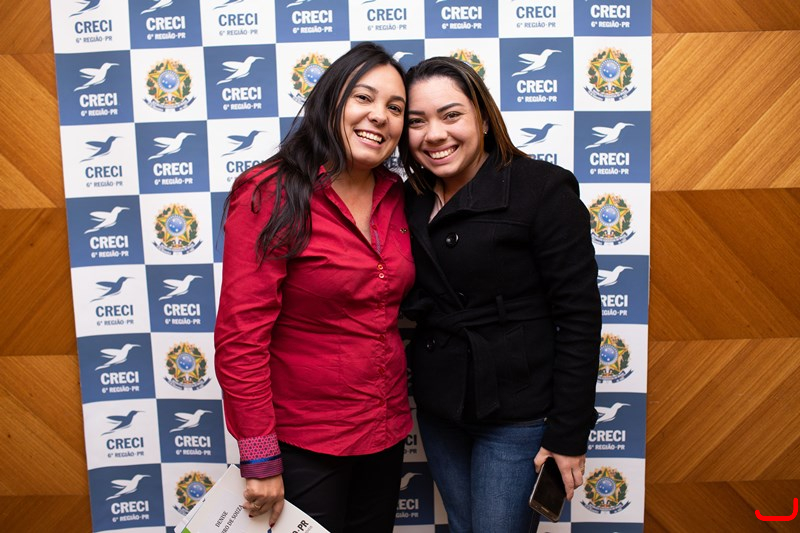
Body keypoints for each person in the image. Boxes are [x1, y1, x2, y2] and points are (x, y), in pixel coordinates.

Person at [214, 42, 415, 533]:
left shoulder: (399, 195)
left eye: (395, 108)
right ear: (331, 101)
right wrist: (260, 457)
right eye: (363, 98)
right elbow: (241, 338)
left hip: (385, 432)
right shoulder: (272, 192)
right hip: (304, 443)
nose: (380, 116)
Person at [399, 56, 602, 532]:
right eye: (417, 121)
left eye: (451, 115)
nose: (434, 134)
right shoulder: (408, 198)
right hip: (440, 407)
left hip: (517, 414)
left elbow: (578, 316)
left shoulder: (541, 188)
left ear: (484, 119)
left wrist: (568, 432)